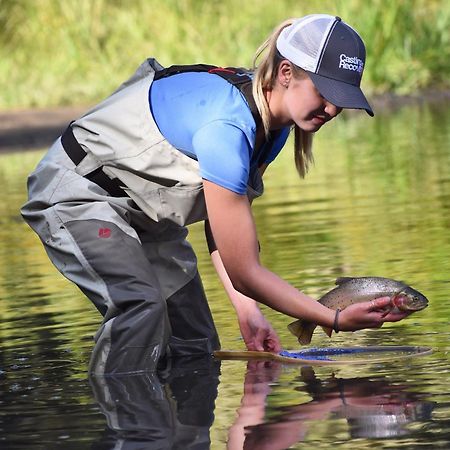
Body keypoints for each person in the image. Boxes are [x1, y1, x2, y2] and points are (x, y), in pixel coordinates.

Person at [21, 14, 410, 376]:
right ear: (286, 73)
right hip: (80, 198)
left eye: (342, 98)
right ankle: (125, 416)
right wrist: (334, 319)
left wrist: (248, 313)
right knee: (140, 307)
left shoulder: (275, 124)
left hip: (145, 219)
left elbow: (223, 227)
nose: (332, 107)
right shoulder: (228, 124)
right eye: (325, 91)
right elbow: (244, 272)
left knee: (197, 344)